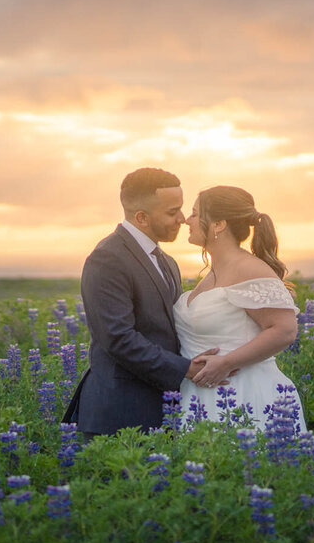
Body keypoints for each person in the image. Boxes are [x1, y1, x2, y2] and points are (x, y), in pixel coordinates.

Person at [62, 168, 219, 438]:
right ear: (142, 217)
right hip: (119, 413)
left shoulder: (166, 261)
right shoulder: (108, 258)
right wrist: (185, 370)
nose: (182, 219)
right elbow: (118, 338)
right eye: (172, 212)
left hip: (163, 408)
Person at [174, 185, 307, 432]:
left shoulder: (249, 268)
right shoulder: (213, 273)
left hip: (243, 396)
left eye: (194, 213)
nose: (187, 220)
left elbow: (284, 330)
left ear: (219, 224)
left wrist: (225, 363)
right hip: (199, 398)